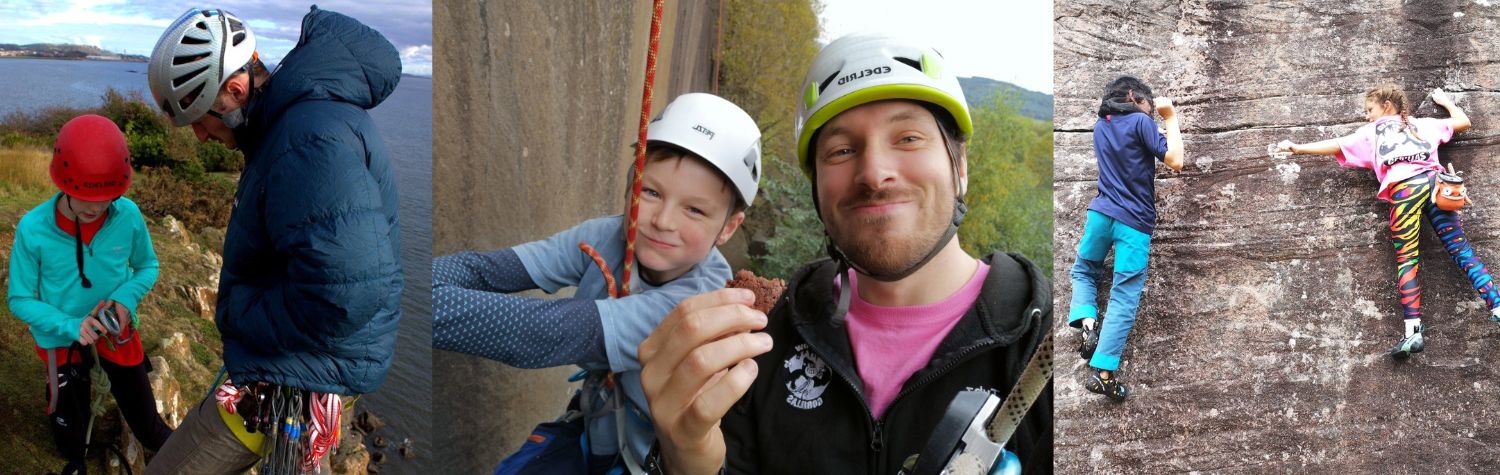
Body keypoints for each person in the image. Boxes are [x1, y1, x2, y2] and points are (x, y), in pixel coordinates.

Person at [635, 33, 1052, 474]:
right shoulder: (770, 331)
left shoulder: (1045, 350)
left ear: (959, 166)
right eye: (842, 150)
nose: (874, 172)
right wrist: (686, 462)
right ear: (817, 188)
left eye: (908, 138)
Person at [431, 92, 761, 473]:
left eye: (695, 209)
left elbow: (544, 332)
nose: (663, 220)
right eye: (651, 192)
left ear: (729, 227)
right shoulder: (603, 238)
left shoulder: (703, 300)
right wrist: (410, 283)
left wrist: (405, 304)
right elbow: (489, 270)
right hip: (595, 428)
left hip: (646, 462)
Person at [142, 6, 403, 473]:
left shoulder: (307, 140)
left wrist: (241, 315)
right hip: (304, 372)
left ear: (236, 91)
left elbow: (347, 294)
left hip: (289, 382)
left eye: (202, 119)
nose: (201, 136)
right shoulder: (292, 126)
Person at [7, 114, 174, 473]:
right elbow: (19, 299)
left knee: (151, 427)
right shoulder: (33, 229)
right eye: (85, 196)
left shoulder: (127, 215)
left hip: (115, 327)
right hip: (60, 338)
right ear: (64, 182)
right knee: (70, 445)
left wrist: (126, 300)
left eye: (107, 196)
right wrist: (71, 325)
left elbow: (148, 266)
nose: (97, 207)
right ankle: (64, 395)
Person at [1277, 85, 1495, 358]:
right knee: (1462, 251)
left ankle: (1412, 333)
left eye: (1370, 110)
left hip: (1405, 191)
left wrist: (1298, 148)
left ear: (1387, 106)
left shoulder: (1371, 132)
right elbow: (1463, 122)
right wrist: (1446, 102)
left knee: (1407, 261)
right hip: (1437, 188)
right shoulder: (1424, 124)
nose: (1367, 116)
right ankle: (1497, 306)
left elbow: (1336, 144)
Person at [1066, 76, 1184, 401]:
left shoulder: (1100, 127)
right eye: (1147, 103)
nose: (1150, 109)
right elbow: (1175, 160)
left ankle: (1088, 321)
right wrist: (1169, 117)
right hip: (1134, 224)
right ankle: (1103, 373)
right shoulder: (1141, 122)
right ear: (1133, 96)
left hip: (1100, 214)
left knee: (1084, 270)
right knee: (1123, 295)